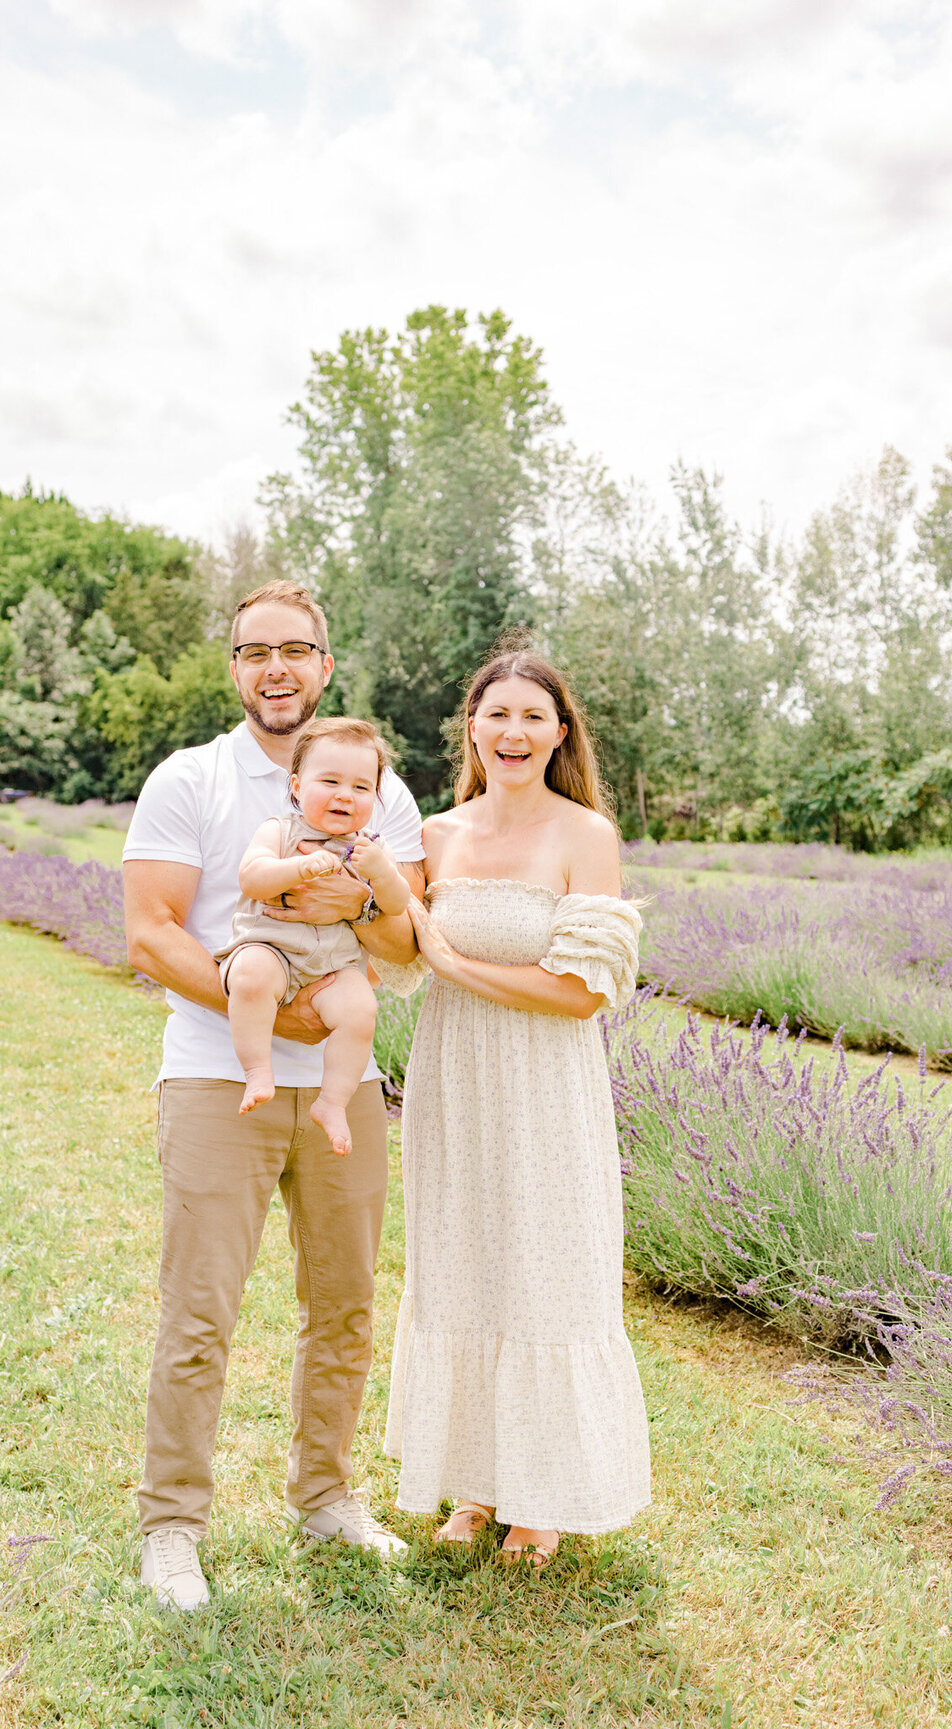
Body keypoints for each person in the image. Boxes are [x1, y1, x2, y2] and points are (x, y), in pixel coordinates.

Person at [123, 581, 424, 1612]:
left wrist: (365, 898)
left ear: (325, 664)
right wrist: (277, 1015)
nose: (277, 668)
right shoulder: (191, 779)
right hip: (219, 1077)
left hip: (346, 1085)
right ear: (235, 668)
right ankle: (173, 1528)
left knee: (343, 1307)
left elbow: (408, 948)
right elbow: (152, 931)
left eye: (296, 649)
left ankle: (327, 1498)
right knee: (199, 1313)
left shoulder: (378, 785)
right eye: (256, 652)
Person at [378, 648, 651, 1569]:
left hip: (545, 1086)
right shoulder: (439, 836)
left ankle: (542, 1499)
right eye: (497, 714)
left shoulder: (586, 835)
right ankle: (476, 1484)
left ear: (560, 732)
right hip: (454, 1080)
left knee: (546, 1271)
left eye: (534, 716)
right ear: (472, 728)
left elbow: (581, 992)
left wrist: (453, 964)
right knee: (465, 1264)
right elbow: (387, 946)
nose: (514, 732)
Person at [218, 717, 411, 1151]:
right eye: (330, 781)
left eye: (362, 788)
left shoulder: (371, 848)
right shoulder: (280, 830)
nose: (346, 794)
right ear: (297, 787)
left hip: (334, 967)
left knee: (361, 1009)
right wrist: (298, 868)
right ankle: (257, 1071)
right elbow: (252, 878)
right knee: (250, 977)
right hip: (271, 950)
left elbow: (397, 906)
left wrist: (381, 873)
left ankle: (332, 1102)